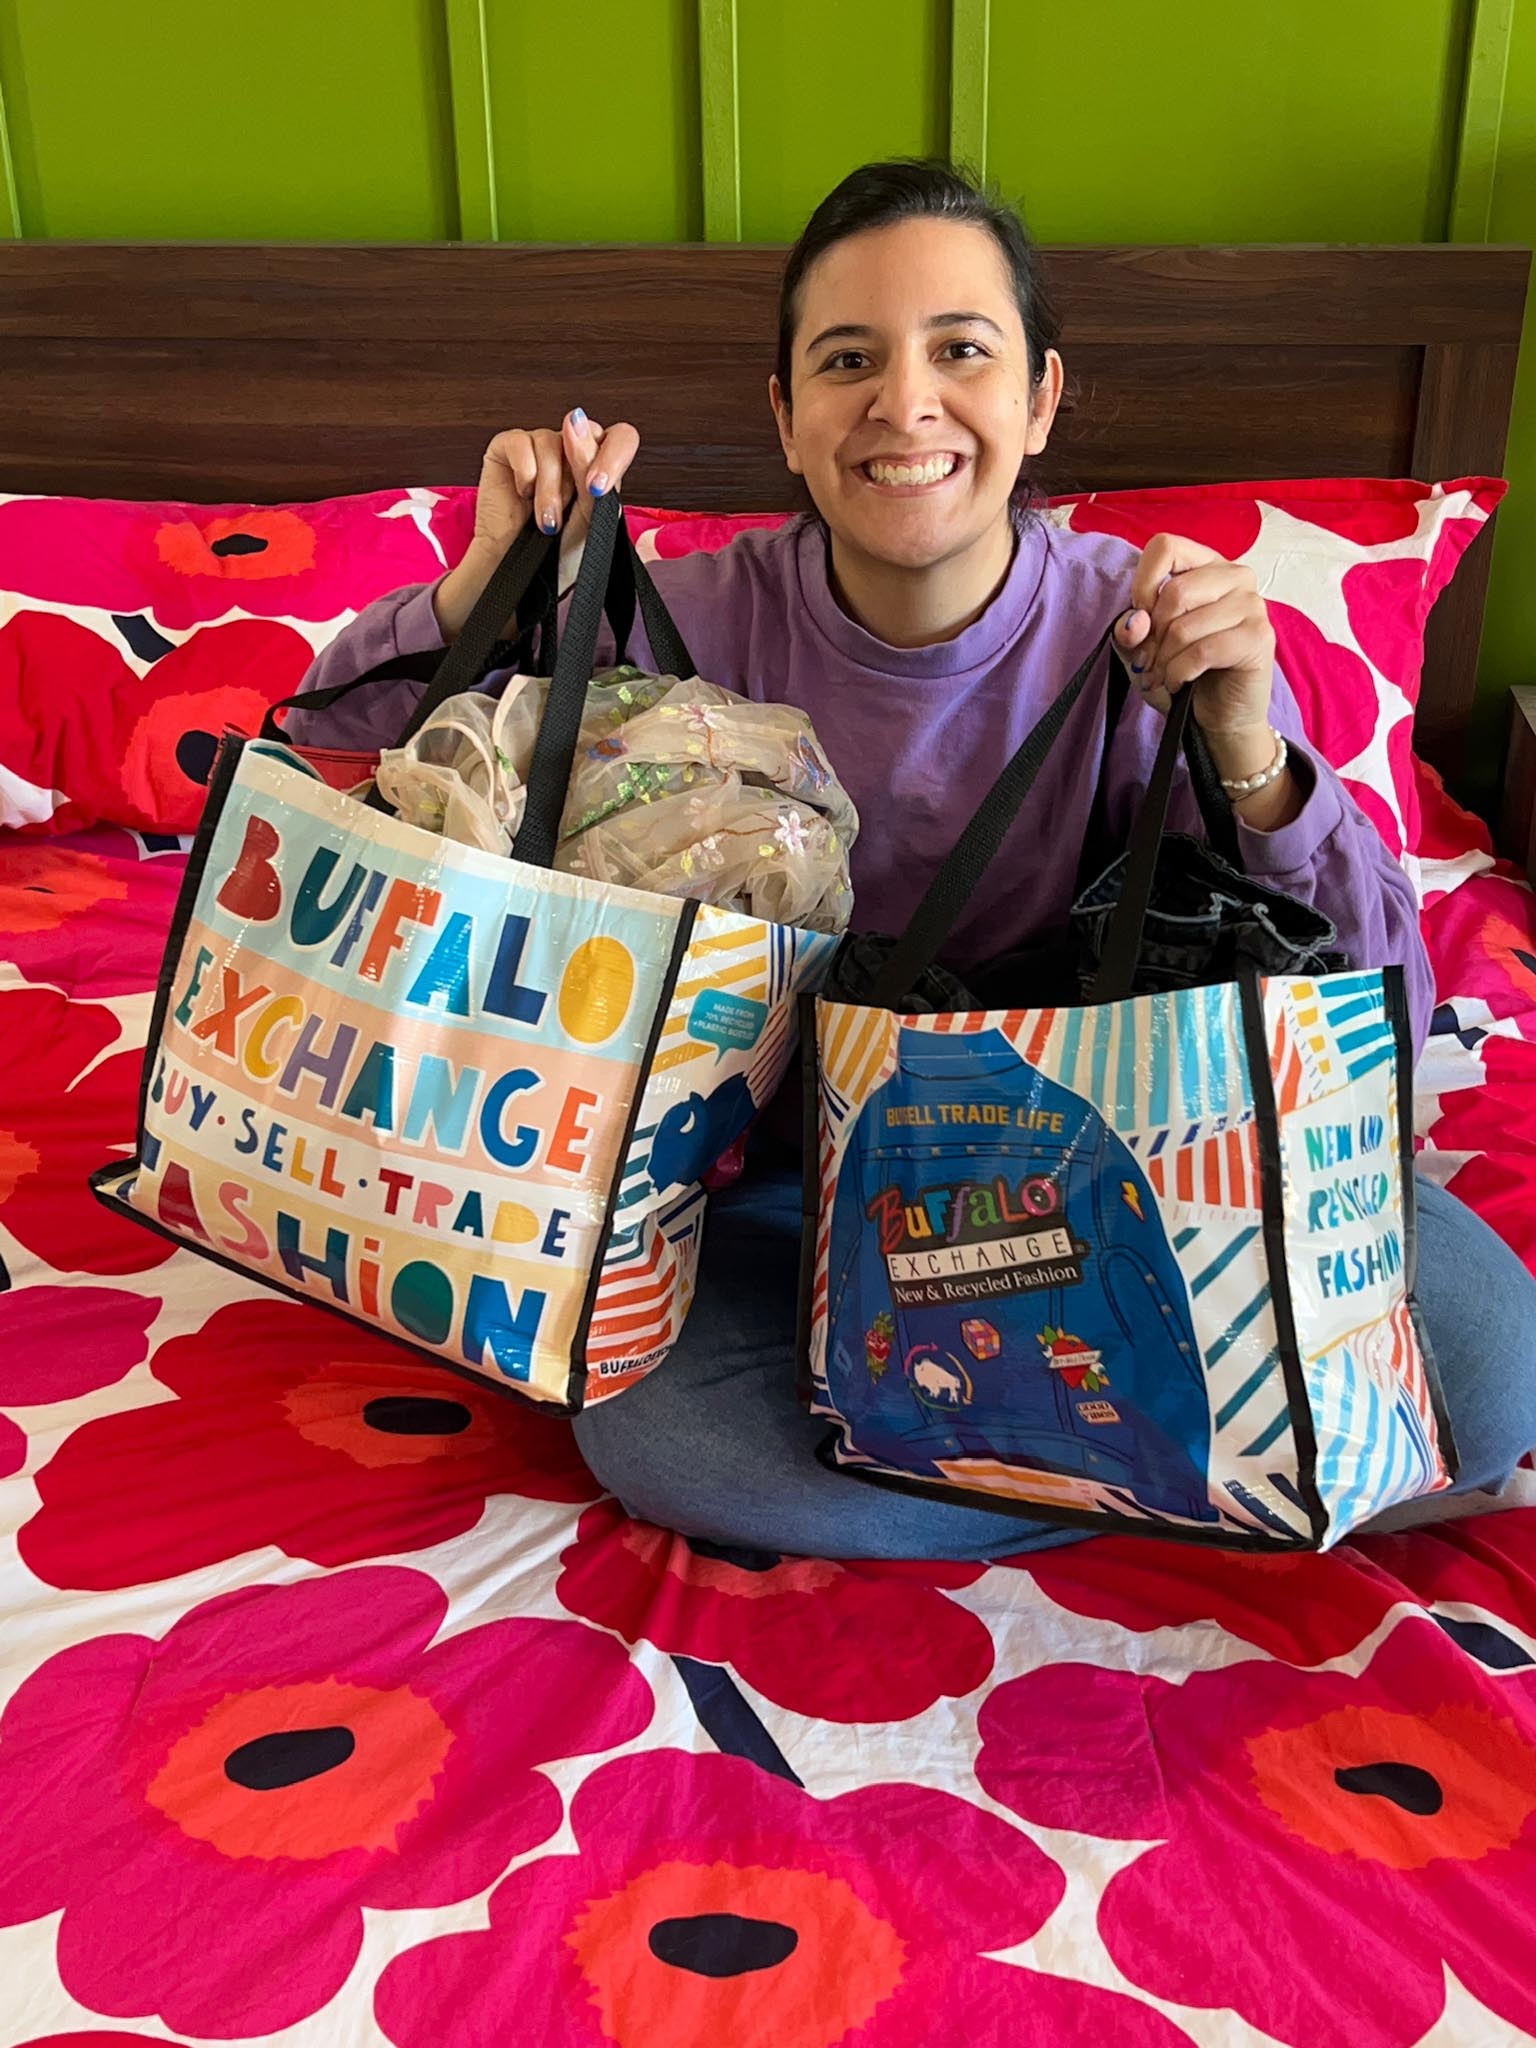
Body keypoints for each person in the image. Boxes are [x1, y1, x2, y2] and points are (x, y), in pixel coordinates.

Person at [290, 159, 1536, 1559]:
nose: (906, 405)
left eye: (961, 351)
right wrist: (488, 581)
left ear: (1041, 396)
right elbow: (340, 761)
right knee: (660, 1435)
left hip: (1124, 1168)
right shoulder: (671, 623)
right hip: (782, 1200)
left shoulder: (1152, 637)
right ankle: (1200, 1479)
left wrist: (1252, 749)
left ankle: (998, 1469)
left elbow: (1388, 1016)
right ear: (786, 414)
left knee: (1490, 1367)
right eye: (847, 360)